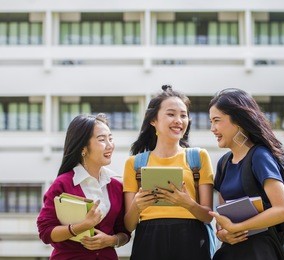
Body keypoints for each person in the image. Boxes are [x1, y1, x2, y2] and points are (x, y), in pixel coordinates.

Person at [123, 85, 214, 260]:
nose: (179, 120)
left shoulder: (199, 157)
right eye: (171, 114)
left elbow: (208, 216)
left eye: (183, 115)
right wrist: (137, 205)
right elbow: (128, 224)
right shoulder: (134, 164)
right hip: (149, 241)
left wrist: (188, 203)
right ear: (153, 120)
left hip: (192, 241)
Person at [208, 88, 284, 260]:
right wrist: (223, 234)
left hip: (260, 252)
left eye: (217, 120)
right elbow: (223, 216)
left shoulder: (260, 156)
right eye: (211, 122)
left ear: (238, 120)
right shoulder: (224, 163)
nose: (212, 128)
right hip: (231, 252)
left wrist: (237, 227)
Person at [37, 113, 130, 259]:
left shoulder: (116, 185)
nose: (109, 145)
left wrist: (112, 240)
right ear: (83, 148)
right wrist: (82, 226)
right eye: (102, 139)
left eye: (110, 138)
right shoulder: (63, 184)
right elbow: (45, 232)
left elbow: (124, 232)